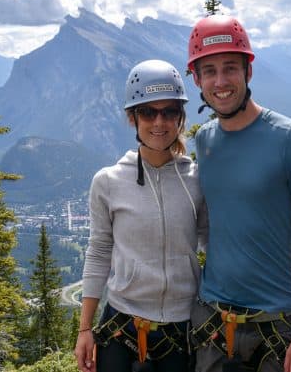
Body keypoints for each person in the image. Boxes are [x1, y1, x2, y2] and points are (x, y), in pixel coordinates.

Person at [187, 15, 291, 372]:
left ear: (248, 71)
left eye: (230, 68)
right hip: (214, 325)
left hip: (278, 326)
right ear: (197, 79)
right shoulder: (204, 141)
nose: (220, 82)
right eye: (209, 71)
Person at [75, 59, 207, 372]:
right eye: (148, 112)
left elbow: (215, 242)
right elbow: (98, 253)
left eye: (169, 112)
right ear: (133, 118)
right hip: (123, 326)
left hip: (182, 326)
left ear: (180, 117)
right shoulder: (108, 181)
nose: (159, 122)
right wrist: (84, 328)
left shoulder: (198, 180)